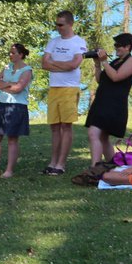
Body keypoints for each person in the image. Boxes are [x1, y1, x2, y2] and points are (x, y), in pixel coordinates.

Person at [41, 11, 88, 175]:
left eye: (61, 24)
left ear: (70, 24)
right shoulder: (53, 42)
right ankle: (53, 162)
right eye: (56, 24)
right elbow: (44, 64)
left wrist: (54, 63)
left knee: (66, 126)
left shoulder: (79, 42)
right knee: (54, 127)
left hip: (70, 88)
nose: (58, 27)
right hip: (54, 88)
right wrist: (63, 65)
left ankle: (61, 164)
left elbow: (74, 64)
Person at [85, 32, 132, 166]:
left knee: (93, 133)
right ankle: (112, 165)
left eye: (118, 45)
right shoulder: (115, 61)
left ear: (128, 47)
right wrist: (98, 65)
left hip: (114, 104)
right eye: (115, 45)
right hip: (102, 102)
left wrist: (104, 61)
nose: (116, 48)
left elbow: (116, 77)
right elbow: (101, 80)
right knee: (103, 137)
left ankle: (95, 167)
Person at [0, 43, 34, 177]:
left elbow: (18, 89)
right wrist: (9, 84)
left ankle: (9, 170)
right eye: (9, 52)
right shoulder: (7, 67)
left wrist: (4, 85)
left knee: (12, 139)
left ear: (21, 55)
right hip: (2, 105)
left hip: (16, 107)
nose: (10, 55)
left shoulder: (27, 70)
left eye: (13, 53)